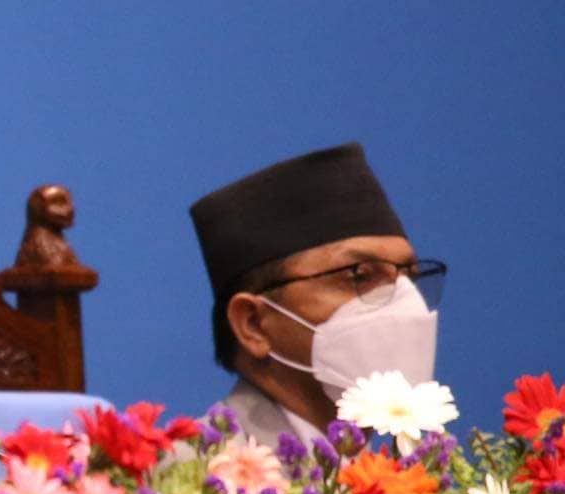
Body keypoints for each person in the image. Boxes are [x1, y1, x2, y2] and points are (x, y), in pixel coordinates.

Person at [189, 142, 446, 449]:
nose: (406, 304)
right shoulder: (197, 470)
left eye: (410, 278)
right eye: (359, 275)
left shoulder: (406, 474)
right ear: (253, 324)